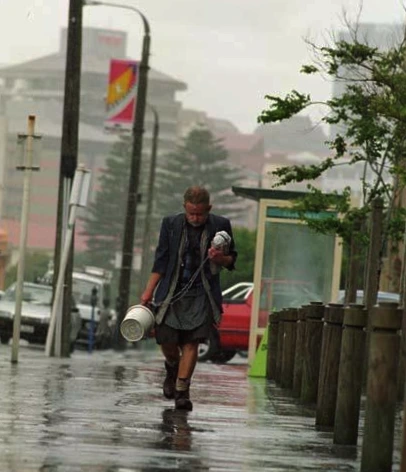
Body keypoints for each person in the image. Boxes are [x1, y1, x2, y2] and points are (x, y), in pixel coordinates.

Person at [140, 186, 237, 411]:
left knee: (192, 342)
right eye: (191, 213)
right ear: (184, 207)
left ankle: (182, 391)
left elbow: (232, 259)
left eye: (200, 214)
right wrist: (148, 292)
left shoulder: (221, 225)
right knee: (166, 339)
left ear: (208, 209)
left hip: (202, 294)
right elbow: (161, 260)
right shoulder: (170, 224)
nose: (195, 218)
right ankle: (172, 367)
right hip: (171, 293)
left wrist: (220, 258)